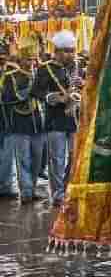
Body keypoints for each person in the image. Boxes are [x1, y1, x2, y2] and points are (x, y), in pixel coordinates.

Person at [32, 30, 78, 206]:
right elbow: (35, 91)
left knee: (75, 158)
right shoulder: (45, 69)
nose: (71, 54)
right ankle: (58, 195)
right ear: (57, 51)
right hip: (55, 120)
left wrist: (81, 89)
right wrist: (55, 97)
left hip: (74, 119)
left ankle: (69, 189)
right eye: (67, 50)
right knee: (57, 159)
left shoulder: (76, 67)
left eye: (72, 50)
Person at [1, 50, 43, 204]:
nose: (31, 62)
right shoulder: (10, 76)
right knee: (24, 160)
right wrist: (29, 90)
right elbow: (7, 98)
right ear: (20, 60)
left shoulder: (38, 75)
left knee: (38, 159)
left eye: (33, 59)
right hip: (19, 123)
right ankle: (26, 192)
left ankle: (32, 188)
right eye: (28, 59)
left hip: (38, 124)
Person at [0, 46, 19, 200]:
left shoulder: (12, 72)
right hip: (6, 120)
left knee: (7, 155)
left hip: (7, 120)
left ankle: (6, 186)